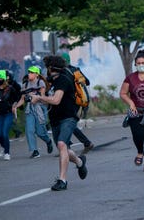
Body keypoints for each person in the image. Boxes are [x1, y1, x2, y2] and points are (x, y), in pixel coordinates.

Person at [31, 55, 88, 191]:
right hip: (55, 119)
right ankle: (80, 162)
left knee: (62, 144)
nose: (46, 71)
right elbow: (49, 99)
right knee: (64, 149)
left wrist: (39, 98)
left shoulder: (63, 79)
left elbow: (56, 100)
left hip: (68, 118)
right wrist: (37, 98)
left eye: (47, 68)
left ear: (51, 68)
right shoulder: (52, 81)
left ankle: (62, 180)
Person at [13, 66, 54, 158]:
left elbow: (42, 96)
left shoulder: (41, 82)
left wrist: (33, 97)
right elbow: (22, 99)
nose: (29, 74)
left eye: (32, 72)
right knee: (29, 130)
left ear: (36, 74)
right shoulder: (25, 85)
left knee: (40, 132)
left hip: (39, 108)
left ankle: (48, 141)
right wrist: (16, 106)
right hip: (29, 109)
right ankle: (35, 151)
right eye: (29, 72)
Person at [61, 52, 95, 154]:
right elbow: (87, 81)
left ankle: (86, 142)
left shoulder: (62, 72)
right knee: (67, 122)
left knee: (69, 123)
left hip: (68, 102)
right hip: (77, 100)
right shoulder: (76, 70)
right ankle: (67, 143)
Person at [0, 70, 17, 161]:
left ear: (4, 79)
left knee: (4, 133)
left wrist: (14, 105)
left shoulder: (10, 89)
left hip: (8, 113)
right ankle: (3, 146)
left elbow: (17, 98)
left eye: (1, 78)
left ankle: (7, 153)